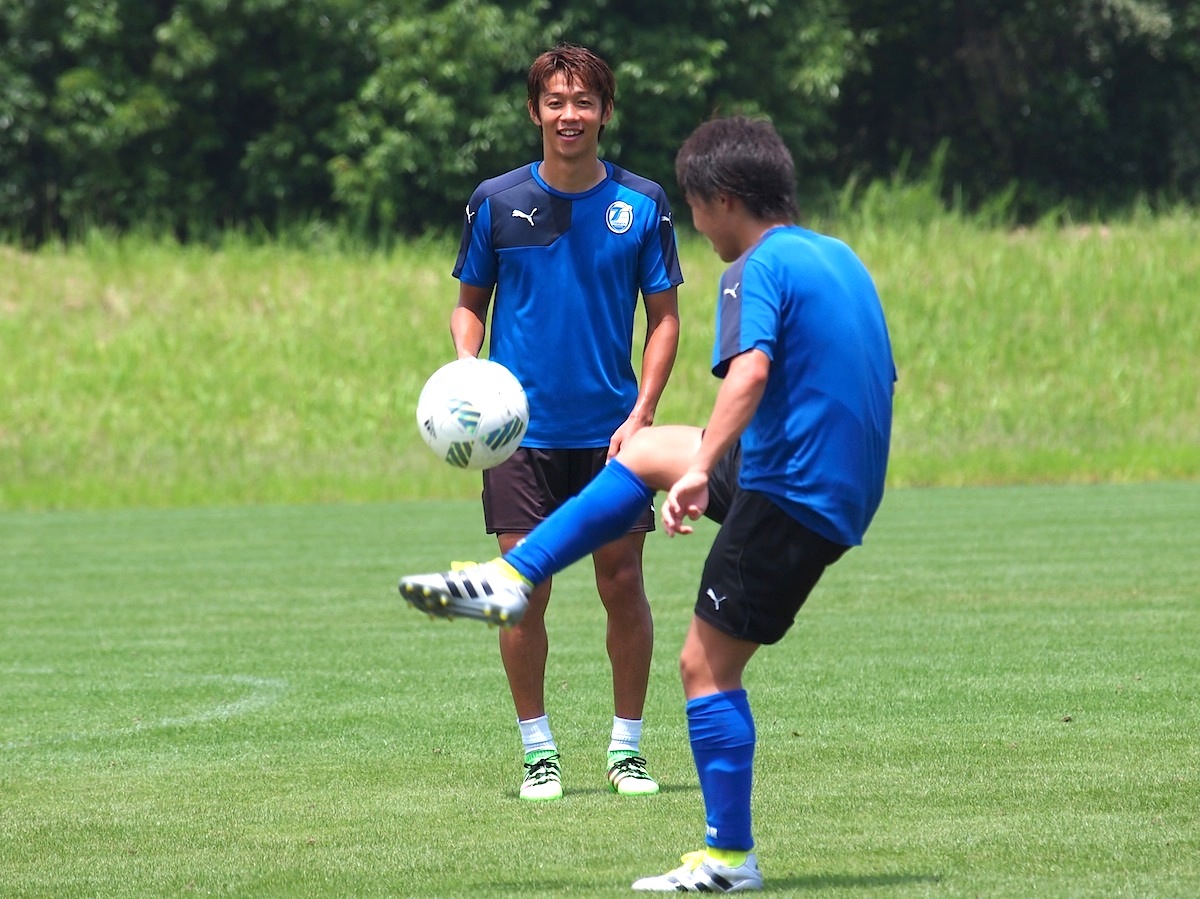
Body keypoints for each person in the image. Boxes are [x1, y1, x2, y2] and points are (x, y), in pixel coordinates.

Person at [401, 114, 895, 891]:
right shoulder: (836, 257)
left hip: (793, 490)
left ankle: (730, 858)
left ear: (723, 198)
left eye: (697, 209)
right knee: (646, 448)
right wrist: (693, 458)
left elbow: (753, 370)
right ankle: (514, 576)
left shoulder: (755, 268)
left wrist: (703, 471)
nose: (697, 228)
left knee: (705, 666)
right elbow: (867, 379)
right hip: (828, 474)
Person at [429, 43, 683, 803]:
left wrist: (641, 414)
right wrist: (468, 368)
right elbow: (468, 303)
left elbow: (664, 320)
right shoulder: (497, 200)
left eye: (583, 101)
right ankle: (539, 752)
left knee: (622, 580)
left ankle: (626, 749)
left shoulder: (642, 202)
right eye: (555, 101)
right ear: (534, 110)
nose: (568, 115)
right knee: (520, 591)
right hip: (518, 436)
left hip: (612, 435)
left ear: (605, 111)